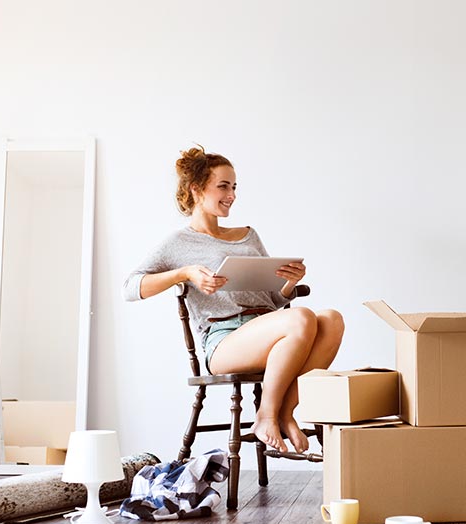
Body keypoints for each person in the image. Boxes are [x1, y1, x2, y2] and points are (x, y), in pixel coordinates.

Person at [123, 146, 344, 454]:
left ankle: (284, 412)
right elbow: (131, 288)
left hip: (266, 326)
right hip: (224, 339)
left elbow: (272, 299)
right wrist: (184, 273)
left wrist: (290, 280)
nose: (232, 195)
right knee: (302, 317)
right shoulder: (178, 243)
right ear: (197, 189)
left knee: (332, 319)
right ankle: (266, 416)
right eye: (223, 186)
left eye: (234, 187)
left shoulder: (248, 235)